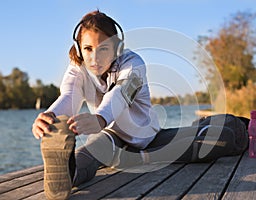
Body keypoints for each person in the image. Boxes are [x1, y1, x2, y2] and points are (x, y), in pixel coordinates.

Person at [32, 10, 161, 200]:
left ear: (117, 48)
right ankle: (68, 177)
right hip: (112, 135)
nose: (94, 58)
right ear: (79, 49)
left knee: (209, 142)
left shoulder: (134, 64)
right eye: (88, 49)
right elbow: (69, 96)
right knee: (90, 153)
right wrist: (49, 116)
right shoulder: (78, 68)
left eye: (103, 49)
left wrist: (100, 118)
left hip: (146, 137)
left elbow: (121, 94)